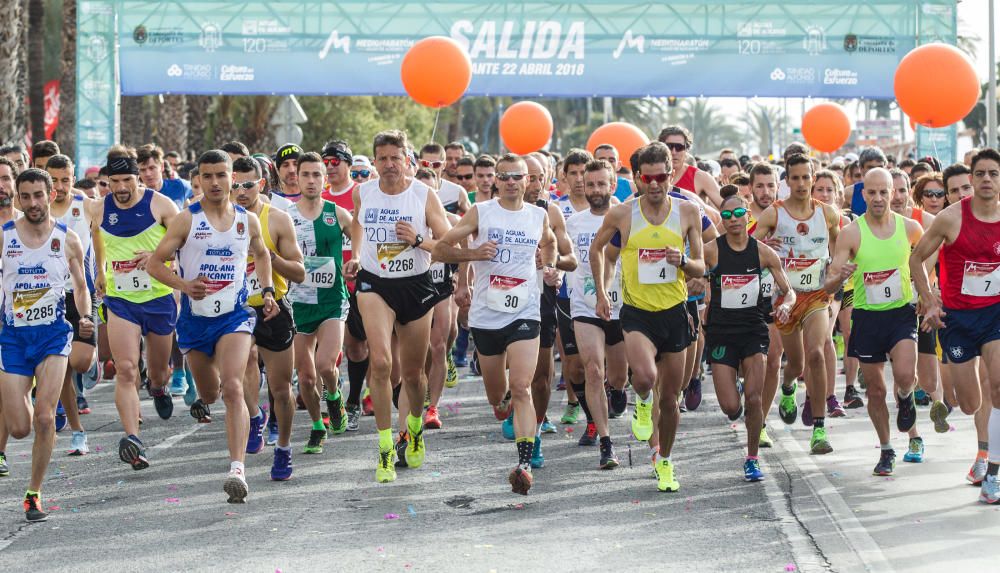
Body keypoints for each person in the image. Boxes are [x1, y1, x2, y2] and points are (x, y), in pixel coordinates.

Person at [147, 150, 278, 503]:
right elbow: (154, 264)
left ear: (232, 177)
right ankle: (209, 400)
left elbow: (261, 252)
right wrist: (184, 285)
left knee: (234, 387)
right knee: (210, 394)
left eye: (222, 175)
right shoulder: (186, 220)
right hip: (194, 321)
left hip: (234, 318)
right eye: (208, 176)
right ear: (199, 180)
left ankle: (237, 469)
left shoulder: (246, 220)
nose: (216, 182)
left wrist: (266, 290)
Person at [434, 152, 556, 494]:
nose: (513, 182)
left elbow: (550, 244)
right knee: (499, 401)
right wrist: (473, 254)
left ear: (528, 181)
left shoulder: (537, 216)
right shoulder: (481, 212)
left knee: (522, 387)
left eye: (519, 177)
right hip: (487, 316)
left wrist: (548, 265)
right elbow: (441, 249)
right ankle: (496, 389)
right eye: (505, 177)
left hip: (525, 312)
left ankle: (523, 463)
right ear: (496, 181)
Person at [590, 142, 706, 492]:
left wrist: (683, 262)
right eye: (647, 178)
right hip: (638, 313)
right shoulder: (623, 214)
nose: (654, 184)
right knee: (644, 376)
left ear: (671, 175)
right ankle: (641, 402)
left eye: (661, 177)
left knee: (670, 400)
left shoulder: (687, 212)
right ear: (638, 178)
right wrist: (601, 291)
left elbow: (702, 267)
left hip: (675, 312)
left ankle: (665, 460)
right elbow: (598, 250)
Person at [344, 130, 451, 483]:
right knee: (381, 361)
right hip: (374, 284)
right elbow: (358, 226)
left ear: (408, 159)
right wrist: (357, 256)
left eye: (396, 157)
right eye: (383, 158)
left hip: (416, 286)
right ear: (374, 161)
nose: (389, 164)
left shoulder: (424, 194)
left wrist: (418, 240)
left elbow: (447, 241)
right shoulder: (363, 192)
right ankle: (386, 448)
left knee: (413, 374)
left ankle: (414, 428)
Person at [1, 168, 93, 521]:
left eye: (38, 195)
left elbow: (82, 286)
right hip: (13, 337)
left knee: (43, 418)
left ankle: (33, 493)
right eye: (25, 197)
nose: (33, 203)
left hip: (54, 334)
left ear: (51, 193)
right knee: (20, 427)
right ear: (18, 199)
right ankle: (22, 391)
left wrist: (84, 315)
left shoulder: (67, 238)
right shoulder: (5, 236)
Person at [909, 148, 1000, 505]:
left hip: (995, 313)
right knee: (970, 402)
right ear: (972, 180)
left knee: (998, 385)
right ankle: (983, 450)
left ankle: (993, 469)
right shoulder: (949, 219)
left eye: (994, 173)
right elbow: (917, 259)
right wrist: (929, 299)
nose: (987, 180)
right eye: (981, 174)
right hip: (958, 320)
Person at [826, 168, 923, 476]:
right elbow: (829, 285)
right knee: (877, 390)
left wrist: (928, 293)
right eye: (873, 192)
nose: (879, 198)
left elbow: (925, 262)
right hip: (867, 318)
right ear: (863, 194)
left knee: (906, 375)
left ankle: (906, 398)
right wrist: (837, 277)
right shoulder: (851, 233)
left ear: (893, 193)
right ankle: (886, 448)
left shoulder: (910, 228)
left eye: (885, 191)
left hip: (901, 313)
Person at [94, 146, 181, 470]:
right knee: (127, 369)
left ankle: (158, 388)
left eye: (127, 179)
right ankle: (133, 439)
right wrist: (100, 272)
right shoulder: (99, 208)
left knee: (156, 372)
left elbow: (183, 243)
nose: (121, 188)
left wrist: (159, 258)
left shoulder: (160, 205)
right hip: (121, 301)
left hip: (158, 298)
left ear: (139, 177)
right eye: (114, 181)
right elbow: (96, 241)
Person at [753, 153, 842, 455]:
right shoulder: (774, 215)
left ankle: (819, 428)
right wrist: (766, 250)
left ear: (814, 178)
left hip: (817, 296)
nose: (802, 183)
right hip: (785, 299)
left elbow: (840, 246)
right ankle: (788, 387)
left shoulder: (827, 214)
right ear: (787, 181)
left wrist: (837, 270)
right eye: (796, 178)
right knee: (796, 363)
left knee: (816, 353)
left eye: (807, 177)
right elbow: (748, 247)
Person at [704, 194, 794, 482]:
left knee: (755, 399)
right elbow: (691, 272)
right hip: (721, 333)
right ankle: (738, 397)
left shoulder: (764, 253)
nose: (733, 219)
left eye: (738, 213)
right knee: (732, 408)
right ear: (722, 219)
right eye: (726, 215)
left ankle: (752, 458)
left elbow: (788, 290)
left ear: (748, 217)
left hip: (754, 330)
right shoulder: (712, 251)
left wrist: (786, 306)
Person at [231, 156, 304, 480]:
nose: (241, 191)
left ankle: (284, 446)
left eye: (248, 184)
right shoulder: (214, 219)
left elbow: (299, 272)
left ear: (261, 184)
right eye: (235, 185)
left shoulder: (276, 219)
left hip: (272, 307)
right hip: (235, 310)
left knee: (280, 388)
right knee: (242, 363)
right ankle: (253, 415)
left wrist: (269, 257)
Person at [287, 152, 353, 454]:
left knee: (326, 365)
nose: (311, 180)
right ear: (296, 179)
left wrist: (359, 259)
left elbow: (360, 234)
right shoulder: (286, 216)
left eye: (317, 175)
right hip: (298, 304)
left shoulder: (336, 213)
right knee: (306, 375)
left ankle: (335, 397)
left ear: (325, 179)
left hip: (331, 301)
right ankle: (317, 425)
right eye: (306, 175)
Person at [567, 159, 627, 469]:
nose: (595, 190)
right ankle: (606, 442)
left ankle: (618, 390)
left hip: (623, 308)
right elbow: (564, 255)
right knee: (593, 370)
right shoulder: (574, 223)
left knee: (618, 376)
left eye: (601, 184)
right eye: (590, 184)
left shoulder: (628, 215)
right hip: (585, 306)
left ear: (612, 185)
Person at [45, 155, 101, 456]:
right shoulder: (36, 211)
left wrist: (102, 271)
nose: (60, 186)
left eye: (65, 179)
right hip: (50, 297)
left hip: (81, 293)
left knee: (79, 362)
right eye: (53, 179)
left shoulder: (85, 205)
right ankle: (78, 431)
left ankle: (93, 365)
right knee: (63, 367)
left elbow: (103, 229)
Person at [658, 126, 722, 207]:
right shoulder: (649, 176)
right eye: (669, 147)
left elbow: (727, 208)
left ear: (686, 150)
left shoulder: (701, 177)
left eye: (679, 147)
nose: (674, 152)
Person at [136, 144, 193, 211]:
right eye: (143, 170)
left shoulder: (180, 185)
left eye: (152, 168)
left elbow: (202, 193)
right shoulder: (136, 197)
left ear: (162, 166)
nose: (148, 174)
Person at [420, 143, 472, 214]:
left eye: (436, 165)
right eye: (425, 164)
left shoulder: (457, 192)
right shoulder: (409, 188)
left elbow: (473, 221)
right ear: (419, 164)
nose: (430, 168)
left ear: (444, 165)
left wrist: (455, 220)